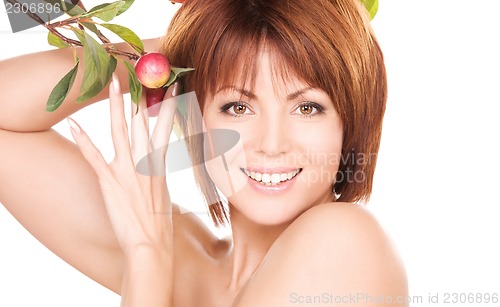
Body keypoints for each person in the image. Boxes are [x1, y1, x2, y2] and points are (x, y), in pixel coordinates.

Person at [0, 0, 408, 306]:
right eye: (238, 107)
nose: (271, 143)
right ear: (195, 119)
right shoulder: (177, 249)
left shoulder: (345, 241)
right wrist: (178, 51)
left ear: (350, 121)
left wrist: (147, 260)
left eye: (307, 108)